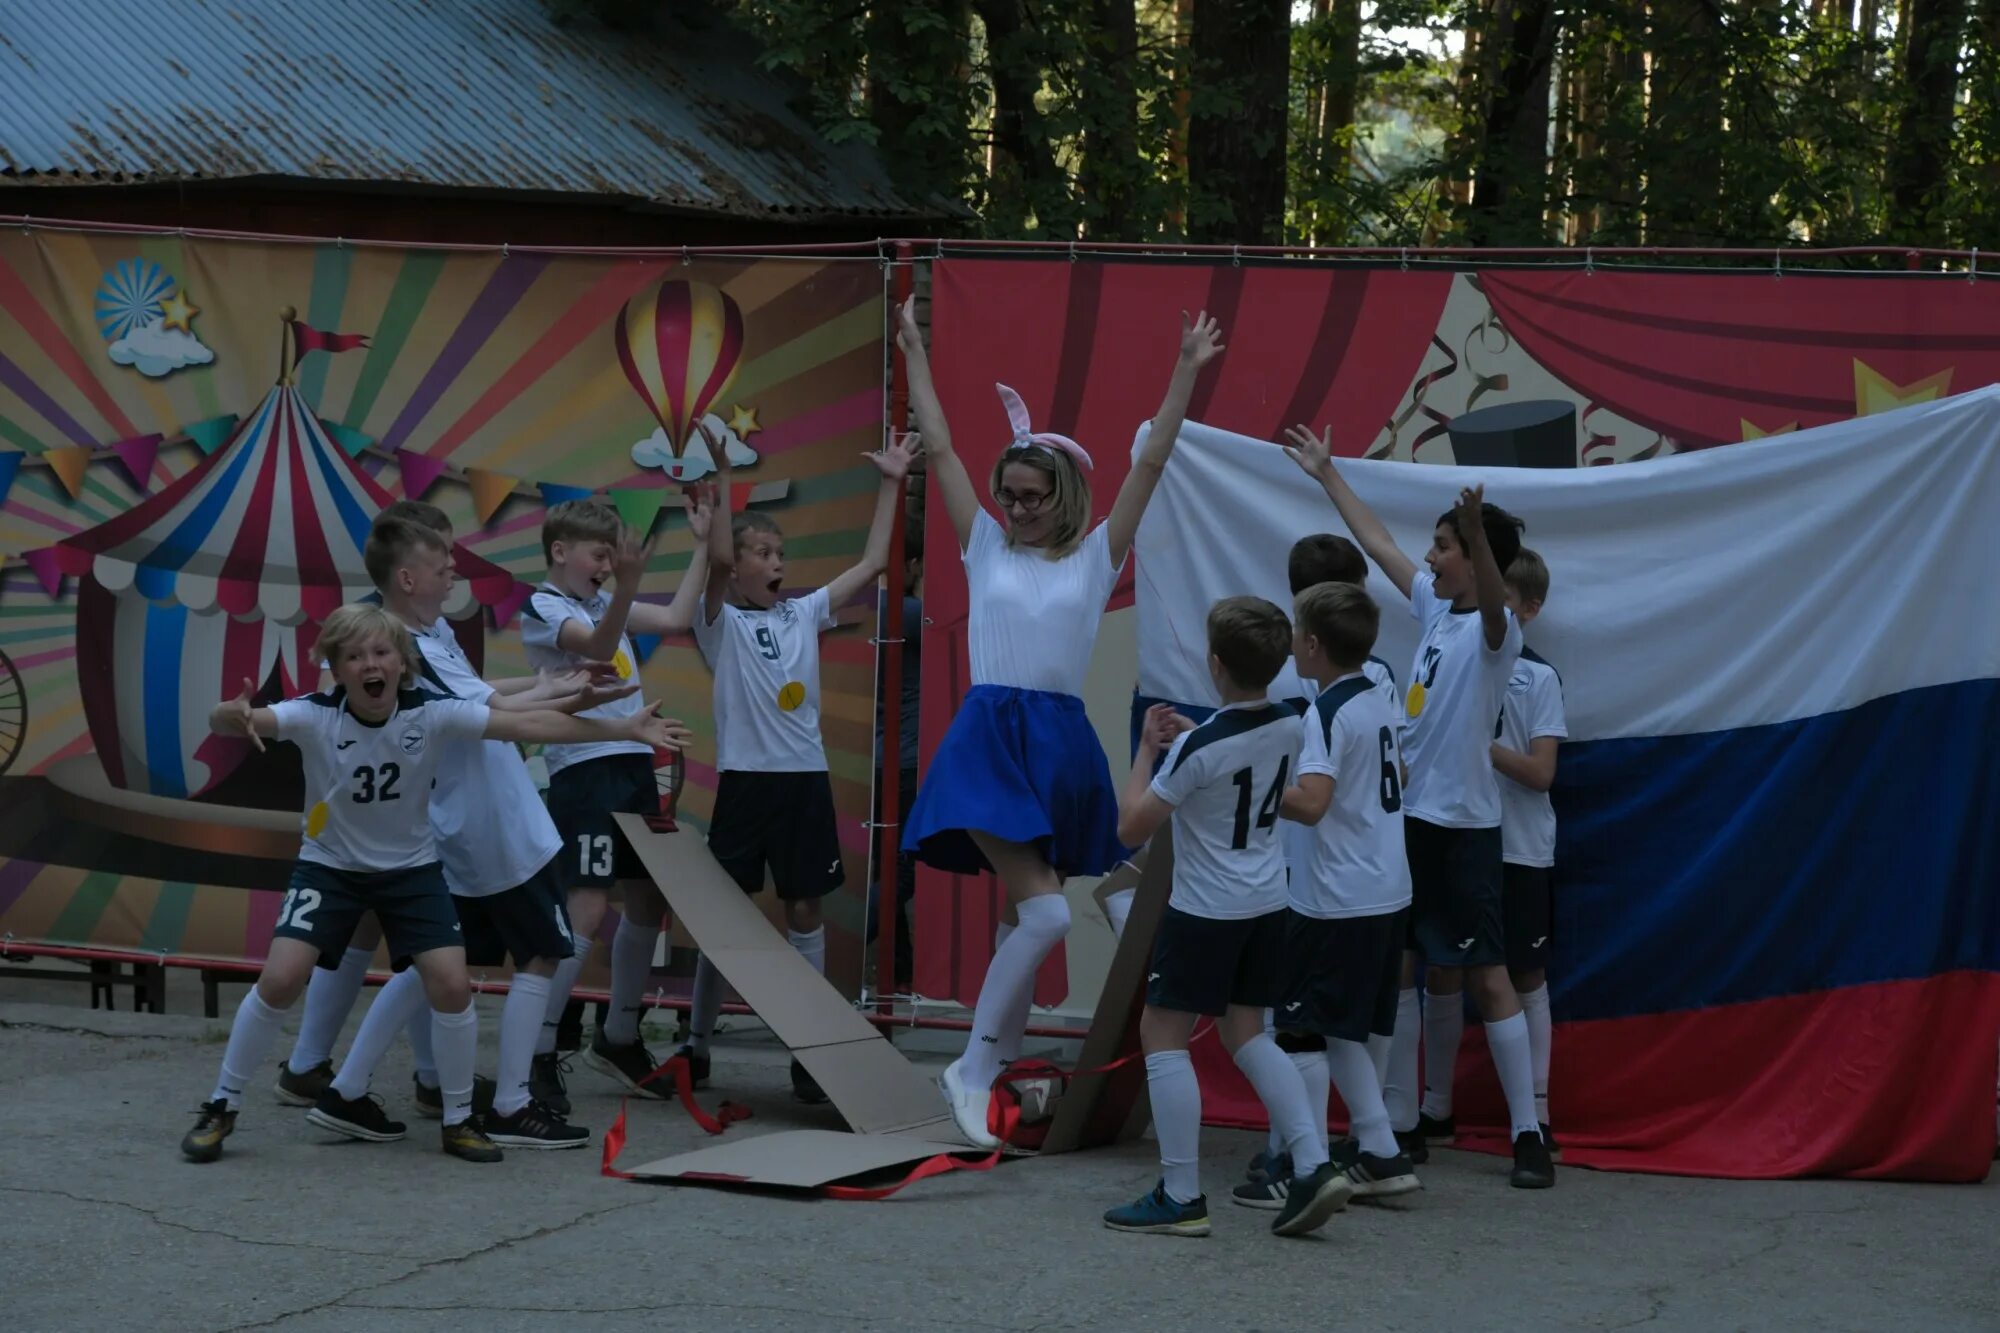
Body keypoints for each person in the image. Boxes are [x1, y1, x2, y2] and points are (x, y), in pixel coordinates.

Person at [180, 604, 691, 1164]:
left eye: (380, 653)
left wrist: (625, 726)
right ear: (336, 668)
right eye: (353, 657)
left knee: (450, 984)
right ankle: (221, 1104)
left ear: (402, 662)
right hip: (330, 869)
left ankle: (458, 1119)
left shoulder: (432, 712)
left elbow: (528, 724)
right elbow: (239, 720)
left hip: (410, 872)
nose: (369, 665)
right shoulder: (313, 714)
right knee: (281, 978)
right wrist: (228, 714)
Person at [896, 295, 1225, 1148]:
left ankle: (994, 1055)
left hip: (1058, 740)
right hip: (991, 735)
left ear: (1065, 493)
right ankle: (969, 1064)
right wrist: (912, 352)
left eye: (1033, 495)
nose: (1017, 507)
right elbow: (938, 446)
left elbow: (1151, 462)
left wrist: (1184, 371)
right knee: (1044, 916)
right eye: (1009, 493)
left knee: (1025, 910)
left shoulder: (1095, 553)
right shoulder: (983, 545)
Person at [1278, 422, 1553, 1189]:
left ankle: (1529, 1131)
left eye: (1445, 545)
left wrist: (1476, 530)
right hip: (1410, 830)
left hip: (1464, 830)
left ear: (1476, 558)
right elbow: (1380, 549)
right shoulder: (1435, 609)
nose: (1429, 556)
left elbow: (1496, 603)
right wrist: (1328, 476)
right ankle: (1397, 1127)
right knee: (1397, 976)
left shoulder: (1493, 635)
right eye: (1436, 544)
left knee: (1488, 976)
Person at [678, 424, 918, 1102]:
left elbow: (873, 563)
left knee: (806, 907)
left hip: (803, 782)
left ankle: (810, 1053)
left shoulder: (803, 612)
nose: (774, 559)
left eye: (779, 550)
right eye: (762, 550)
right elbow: (717, 559)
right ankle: (695, 1045)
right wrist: (725, 476)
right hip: (746, 784)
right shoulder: (715, 615)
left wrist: (893, 481)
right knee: (725, 915)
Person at [1102, 598, 1353, 1239]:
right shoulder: (1293, 721)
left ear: (1215, 663)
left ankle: (1182, 1194)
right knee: (1249, 1034)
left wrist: (1147, 754)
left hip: (1206, 911)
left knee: (1162, 1033)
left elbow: (1132, 825)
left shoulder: (1194, 746)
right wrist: (1191, 748)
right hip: (1268, 903)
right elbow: (1268, 785)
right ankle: (1315, 1162)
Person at [1237, 582, 1422, 1206]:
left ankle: (1300, 1162)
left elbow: (1312, 806)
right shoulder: (1378, 696)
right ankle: (1381, 1152)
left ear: (1311, 645)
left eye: (1294, 630)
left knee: (1300, 1029)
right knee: (1343, 1031)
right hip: (1386, 888)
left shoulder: (1324, 712)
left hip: (1334, 897)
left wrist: (1256, 777)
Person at [521, 499, 706, 1097]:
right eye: (598, 555)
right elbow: (598, 648)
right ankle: (539, 1047)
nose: (607, 565)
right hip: (585, 764)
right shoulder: (544, 606)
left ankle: (619, 1034)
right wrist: (625, 588)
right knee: (589, 906)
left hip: (631, 758)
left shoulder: (605, 600)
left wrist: (704, 544)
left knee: (650, 900)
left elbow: (678, 616)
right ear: (559, 551)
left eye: (612, 557)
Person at [1486, 548, 1565, 1150]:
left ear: (1530, 608)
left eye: (1504, 601)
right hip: (1461, 838)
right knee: (1442, 970)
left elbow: (1541, 773)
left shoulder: (1538, 677)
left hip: (1521, 849)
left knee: (1525, 971)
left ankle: (1536, 1112)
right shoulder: (1453, 660)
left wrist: (1479, 745)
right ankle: (1427, 1109)